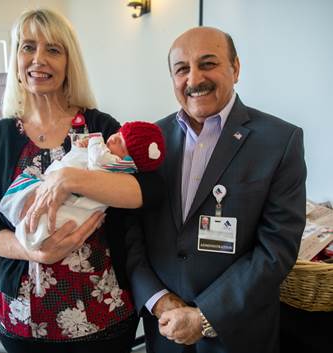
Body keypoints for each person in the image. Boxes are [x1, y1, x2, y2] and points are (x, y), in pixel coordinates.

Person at [0, 8, 163, 353]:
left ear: (69, 61)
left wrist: (71, 179)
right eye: (28, 47)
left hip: (103, 315)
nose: (38, 59)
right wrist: (31, 251)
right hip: (22, 321)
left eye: (53, 50)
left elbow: (147, 192)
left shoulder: (101, 127)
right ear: (15, 58)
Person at [125, 26, 307, 353]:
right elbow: (131, 233)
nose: (194, 79)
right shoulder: (150, 141)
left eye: (208, 64)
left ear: (235, 68)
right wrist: (158, 299)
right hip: (164, 331)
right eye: (182, 69)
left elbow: (276, 248)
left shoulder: (281, 141)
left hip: (238, 334)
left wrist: (205, 315)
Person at [0, 121, 165, 251]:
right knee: (36, 214)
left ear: (129, 161)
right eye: (118, 133)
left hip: (97, 279)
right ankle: (26, 229)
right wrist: (30, 254)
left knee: (49, 220)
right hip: (20, 281)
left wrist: (68, 177)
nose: (113, 138)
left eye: (122, 143)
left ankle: (29, 231)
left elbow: (153, 189)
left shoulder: (112, 157)